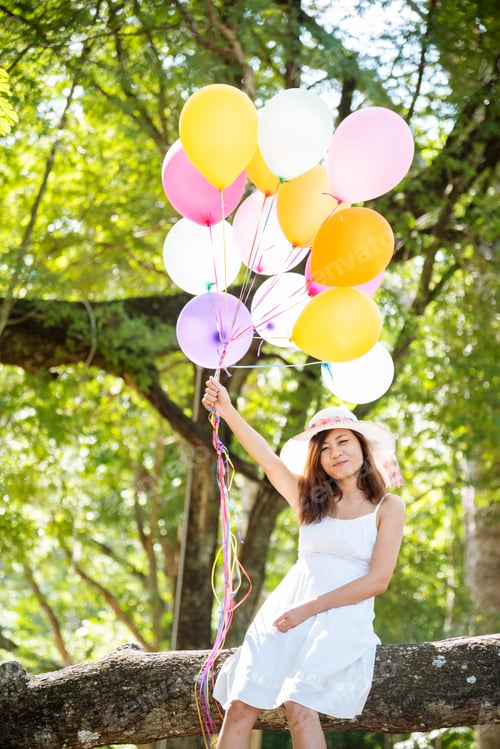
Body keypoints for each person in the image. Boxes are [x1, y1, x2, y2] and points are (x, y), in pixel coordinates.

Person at [202, 376, 406, 749]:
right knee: (240, 706)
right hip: (286, 610)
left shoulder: (388, 507)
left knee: (299, 702)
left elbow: (378, 580)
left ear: (362, 447)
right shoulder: (309, 500)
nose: (336, 452)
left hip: (341, 614)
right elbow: (265, 456)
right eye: (325, 447)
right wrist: (227, 410)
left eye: (343, 440)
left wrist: (308, 609)